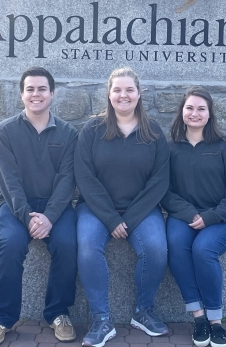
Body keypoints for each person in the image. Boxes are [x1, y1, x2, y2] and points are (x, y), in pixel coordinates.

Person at [75, 67, 170, 347]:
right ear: (109, 94)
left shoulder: (153, 132)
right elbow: (84, 176)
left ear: (139, 94)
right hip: (96, 209)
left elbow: (160, 180)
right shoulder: (92, 130)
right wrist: (109, 218)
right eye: (117, 90)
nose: (123, 95)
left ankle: (144, 311)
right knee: (88, 246)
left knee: (156, 247)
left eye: (129, 90)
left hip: (140, 210)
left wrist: (130, 218)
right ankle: (101, 319)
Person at [0, 66, 78, 345]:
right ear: (22, 94)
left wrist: (49, 217)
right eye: (30, 89)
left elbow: (67, 180)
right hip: (15, 206)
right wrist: (28, 218)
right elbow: (9, 182)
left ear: (52, 94)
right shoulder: (5, 131)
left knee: (68, 244)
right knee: (11, 244)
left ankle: (58, 313)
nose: (36, 94)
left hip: (56, 208)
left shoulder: (69, 133)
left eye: (42, 89)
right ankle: (1, 317)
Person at [161, 87, 226, 347]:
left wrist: (209, 217)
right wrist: (190, 214)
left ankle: (216, 322)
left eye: (201, 108)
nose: (195, 113)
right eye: (189, 108)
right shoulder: (170, 149)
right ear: (182, 112)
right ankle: (198, 316)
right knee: (176, 245)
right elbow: (164, 191)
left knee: (203, 248)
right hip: (184, 215)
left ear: (210, 114)